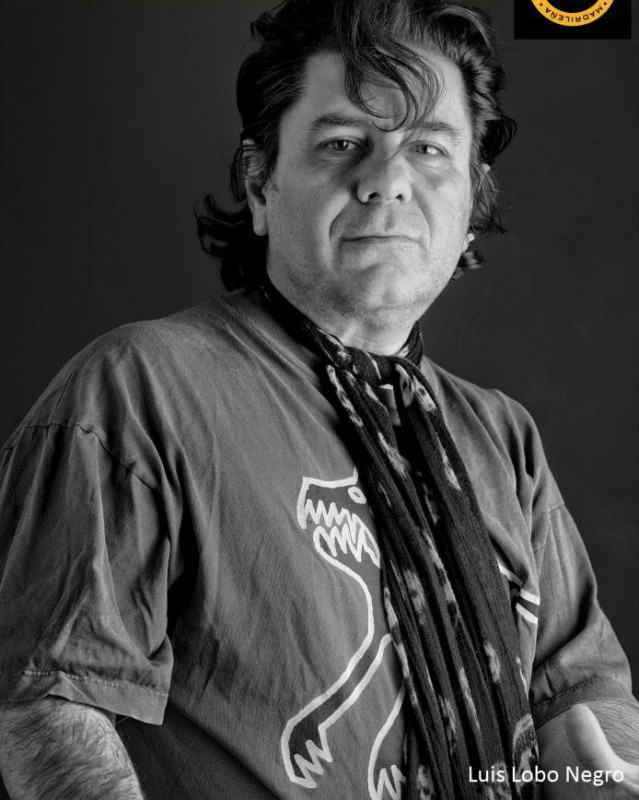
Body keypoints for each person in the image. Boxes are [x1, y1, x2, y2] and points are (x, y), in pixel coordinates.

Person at [0, 0, 637, 798]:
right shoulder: (139, 392)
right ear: (259, 182)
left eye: (428, 149)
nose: (387, 180)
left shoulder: (501, 438)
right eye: (342, 143)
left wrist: (602, 768)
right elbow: (46, 710)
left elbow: (581, 694)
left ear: (472, 202)